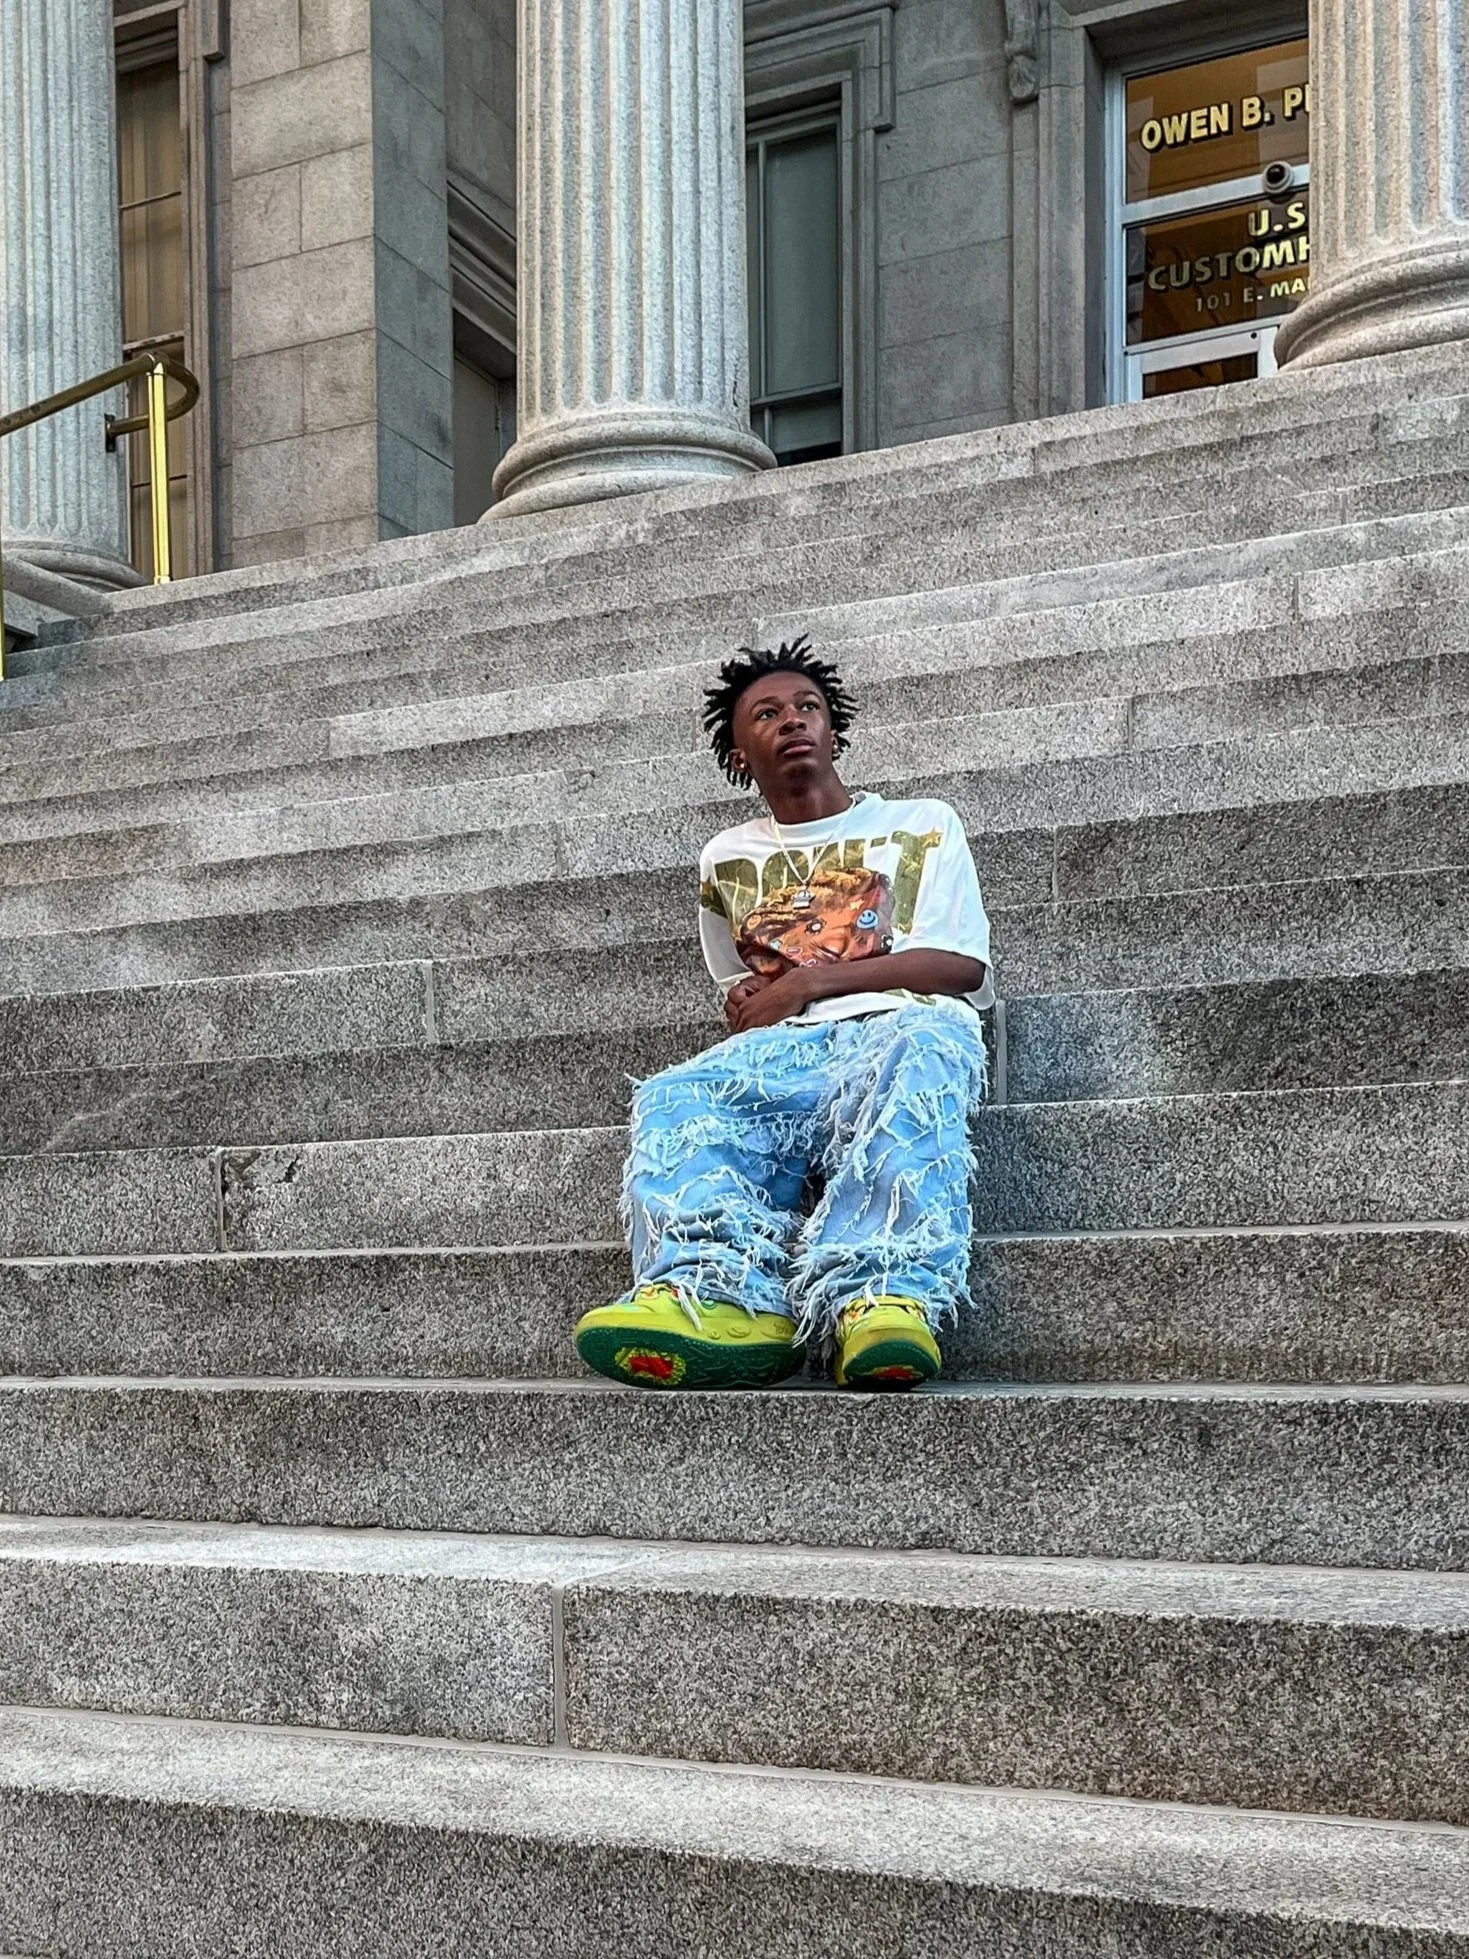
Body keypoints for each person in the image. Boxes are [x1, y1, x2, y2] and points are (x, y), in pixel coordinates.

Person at [573, 636, 993, 1392]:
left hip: (899, 1022)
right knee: (677, 1091)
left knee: (928, 1043)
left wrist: (805, 984)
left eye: (808, 707)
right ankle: (720, 1294)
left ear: (834, 731)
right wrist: (757, 999)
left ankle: (882, 1295)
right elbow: (740, 984)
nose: (792, 720)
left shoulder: (923, 823)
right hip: (793, 1050)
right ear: (738, 755)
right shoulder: (724, 858)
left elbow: (960, 966)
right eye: (766, 714)